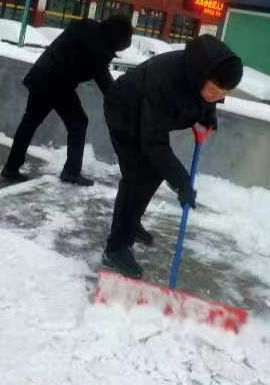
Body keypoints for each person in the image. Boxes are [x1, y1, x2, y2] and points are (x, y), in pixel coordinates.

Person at [101, 35, 244, 278]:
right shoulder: (166, 80)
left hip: (147, 118)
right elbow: (153, 142)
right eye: (214, 90)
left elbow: (205, 98)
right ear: (202, 77)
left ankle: (130, 221)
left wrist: (207, 115)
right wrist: (182, 182)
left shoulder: (202, 73)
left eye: (223, 93)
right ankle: (116, 248)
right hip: (124, 111)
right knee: (137, 177)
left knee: (154, 173)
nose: (216, 97)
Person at [1, 15, 134, 186]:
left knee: (29, 123)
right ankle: (71, 172)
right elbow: (105, 83)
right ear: (117, 37)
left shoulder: (88, 29)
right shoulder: (99, 47)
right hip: (57, 84)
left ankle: (11, 168)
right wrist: (123, 102)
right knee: (78, 122)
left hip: (41, 75)